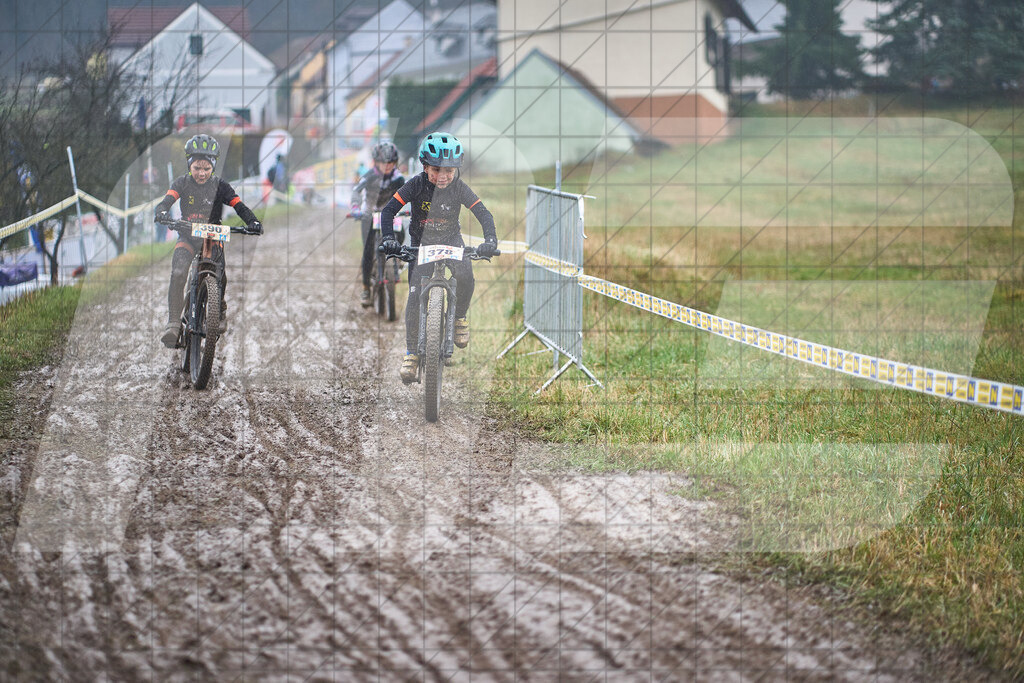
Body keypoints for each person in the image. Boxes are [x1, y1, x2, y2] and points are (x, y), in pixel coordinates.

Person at [378, 131, 498, 384]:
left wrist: (490, 241)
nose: (443, 176)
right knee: (413, 297)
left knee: (466, 276)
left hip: (452, 242)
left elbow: (484, 213)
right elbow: (388, 211)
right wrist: (388, 237)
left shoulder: (458, 187)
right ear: (424, 166)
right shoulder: (415, 185)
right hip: (421, 246)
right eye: (436, 170)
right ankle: (411, 353)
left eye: (450, 170)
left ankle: (459, 317)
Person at [154, 134, 263, 348]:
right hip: (187, 235)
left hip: (212, 237)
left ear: (213, 166)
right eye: (197, 168)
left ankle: (219, 309)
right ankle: (174, 323)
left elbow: (239, 206)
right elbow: (167, 200)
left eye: (206, 168)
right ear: (189, 165)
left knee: (220, 274)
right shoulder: (182, 183)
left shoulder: (221, 186)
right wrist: (162, 211)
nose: (202, 173)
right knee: (178, 272)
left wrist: (253, 221)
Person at [350, 140, 405, 307]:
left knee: (401, 234)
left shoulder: (398, 178)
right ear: (376, 162)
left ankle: (395, 260)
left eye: (391, 163)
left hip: (390, 215)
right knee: (367, 251)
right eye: (383, 162)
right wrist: (355, 207)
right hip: (370, 214)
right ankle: (366, 287)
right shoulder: (369, 175)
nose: (387, 166)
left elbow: (408, 194)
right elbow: (356, 192)